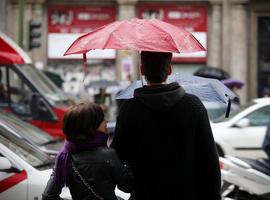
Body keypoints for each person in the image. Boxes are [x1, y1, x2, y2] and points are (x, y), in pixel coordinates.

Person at [111, 51, 221, 200]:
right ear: (169, 70)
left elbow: (118, 156)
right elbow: (209, 161)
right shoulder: (193, 105)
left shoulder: (129, 109)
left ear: (142, 70)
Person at [42, 101, 133, 200]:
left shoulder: (64, 157)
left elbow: (48, 196)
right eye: (102, 119)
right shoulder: (108, 155)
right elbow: (127, 186)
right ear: (91, 126)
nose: (106, 121)